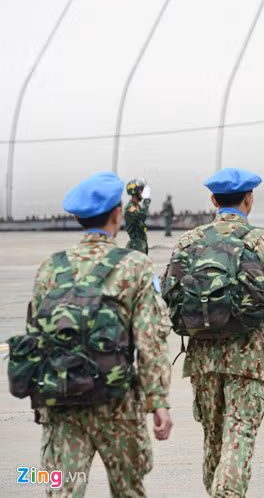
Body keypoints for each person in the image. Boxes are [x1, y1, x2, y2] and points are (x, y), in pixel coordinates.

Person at [6, 172, 173, 496]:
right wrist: (158, 402)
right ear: (118, 214)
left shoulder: (50, 267)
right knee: (129, 489)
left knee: (63, 489)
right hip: (118, 403)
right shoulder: (135, 266)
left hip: (63, 399)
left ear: (76, 216)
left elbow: (38, 339)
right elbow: (150, 340)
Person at [164, 168, 264, 497]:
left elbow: (171, 294)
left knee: (214, 436)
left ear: (214, 201)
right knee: (240, 432)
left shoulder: (189, 240)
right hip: (249, 355)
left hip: (202, 356)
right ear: (249, 199)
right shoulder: (263, 241)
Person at [124, 178, 151, 254]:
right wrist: (146, 200)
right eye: (141, 190)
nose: (143, 193)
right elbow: (142, 215)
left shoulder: (137, 207)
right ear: (136, 191)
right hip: (135, 247)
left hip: (141, 245)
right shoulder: (130, 208)